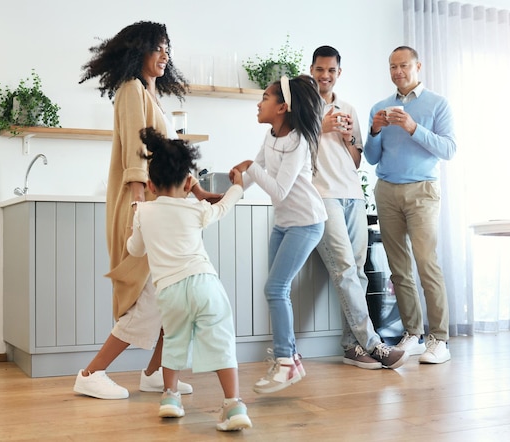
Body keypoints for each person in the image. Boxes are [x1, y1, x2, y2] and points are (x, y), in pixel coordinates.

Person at [73, 21, 221, 400]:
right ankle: (91, 373)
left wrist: (199, 191)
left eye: (167, 48)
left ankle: (155, 372)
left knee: (171, 294)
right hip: (143, 206)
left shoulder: (153, 98)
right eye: (157, 47)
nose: (164, 54)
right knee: (148, 297)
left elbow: (170, 157)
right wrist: (139, 204)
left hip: (162, 207)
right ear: (139, 51)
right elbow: (136, 151)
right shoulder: (130, 91)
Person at [126, 127, 252, 432]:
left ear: (151, 185)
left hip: (169, 291)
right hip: (205, 285)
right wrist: (237, 187)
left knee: (174, 340)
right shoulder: (195, 209)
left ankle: (170, 397)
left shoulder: (143, 211)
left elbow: (134, 249)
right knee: (221, 342)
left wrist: (135, 213)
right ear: (187, 183)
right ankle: (233, 403)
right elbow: (222, 207)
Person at [310, 46, 408, 370]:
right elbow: (292, 150)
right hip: (322, 195)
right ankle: (374, 343)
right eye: (320, 69)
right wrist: (320, 128)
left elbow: (355, 160)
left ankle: (352, 346)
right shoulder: (301, 107)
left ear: (339, 73)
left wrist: (350, 137)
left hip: (352, 193)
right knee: (344, 269)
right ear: (312, 70)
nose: (326, 75)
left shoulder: (348, 107)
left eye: (332, 71)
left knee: (358, 272)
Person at [230, 75, 326, 394]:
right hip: (284, 223)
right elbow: (251, 177)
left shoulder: (297, 141)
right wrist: (217, 195)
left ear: (283, 107)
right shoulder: (272, 136)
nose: (259, 103)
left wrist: (247, 167)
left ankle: (284, 362)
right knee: (277, 290)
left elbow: (279, 190)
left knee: (275, 288)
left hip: (307, 222)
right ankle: (291, 361)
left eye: (266, 98)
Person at [364, 46, 457, 364]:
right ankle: (413, 334)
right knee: (399, 269)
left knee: (426, 263)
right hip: (387, 190)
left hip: (422, 191)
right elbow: (372, 157)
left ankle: (439, 339)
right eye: (392, 66)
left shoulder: (438, 104)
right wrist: (375, 130)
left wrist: (412, 127)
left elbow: (448, 149)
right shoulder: (380, 106)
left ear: (418, 66)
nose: (397, 72)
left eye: (403, 65)